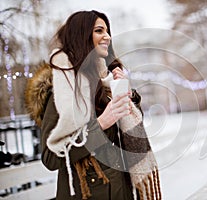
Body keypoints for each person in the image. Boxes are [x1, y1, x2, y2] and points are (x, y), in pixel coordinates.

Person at [25, 10, 161, 200]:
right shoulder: (62, 90)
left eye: (107, 31)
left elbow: (129, 133)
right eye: (99, 31)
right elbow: (50, 158)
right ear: (81, 35)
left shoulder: (105, 82)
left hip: (120, 191)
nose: (107, 36)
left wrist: (127, 95)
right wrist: (100, 125)